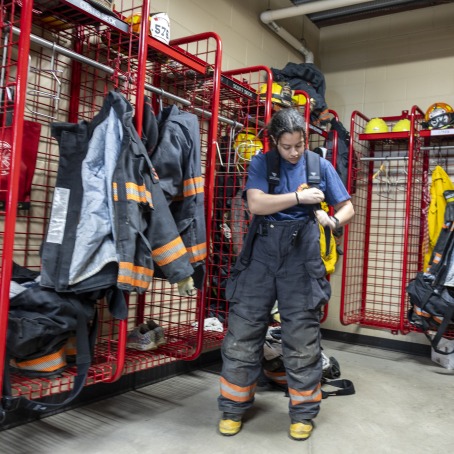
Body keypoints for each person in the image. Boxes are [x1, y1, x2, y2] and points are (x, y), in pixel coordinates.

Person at [217, 108, 354, 441]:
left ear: (305, 139)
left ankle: (303, 413)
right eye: (287, 146)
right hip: (262, 252)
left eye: (299, 144)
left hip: (301, 258)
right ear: (275, 141)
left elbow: (347, 207)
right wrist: (298, 197)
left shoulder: (319, 166)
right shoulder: (262, 163)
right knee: (244, 329)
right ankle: (233, 407)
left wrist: (332, 221)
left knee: (301, 335)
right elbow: (256, 205)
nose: (294, 152)